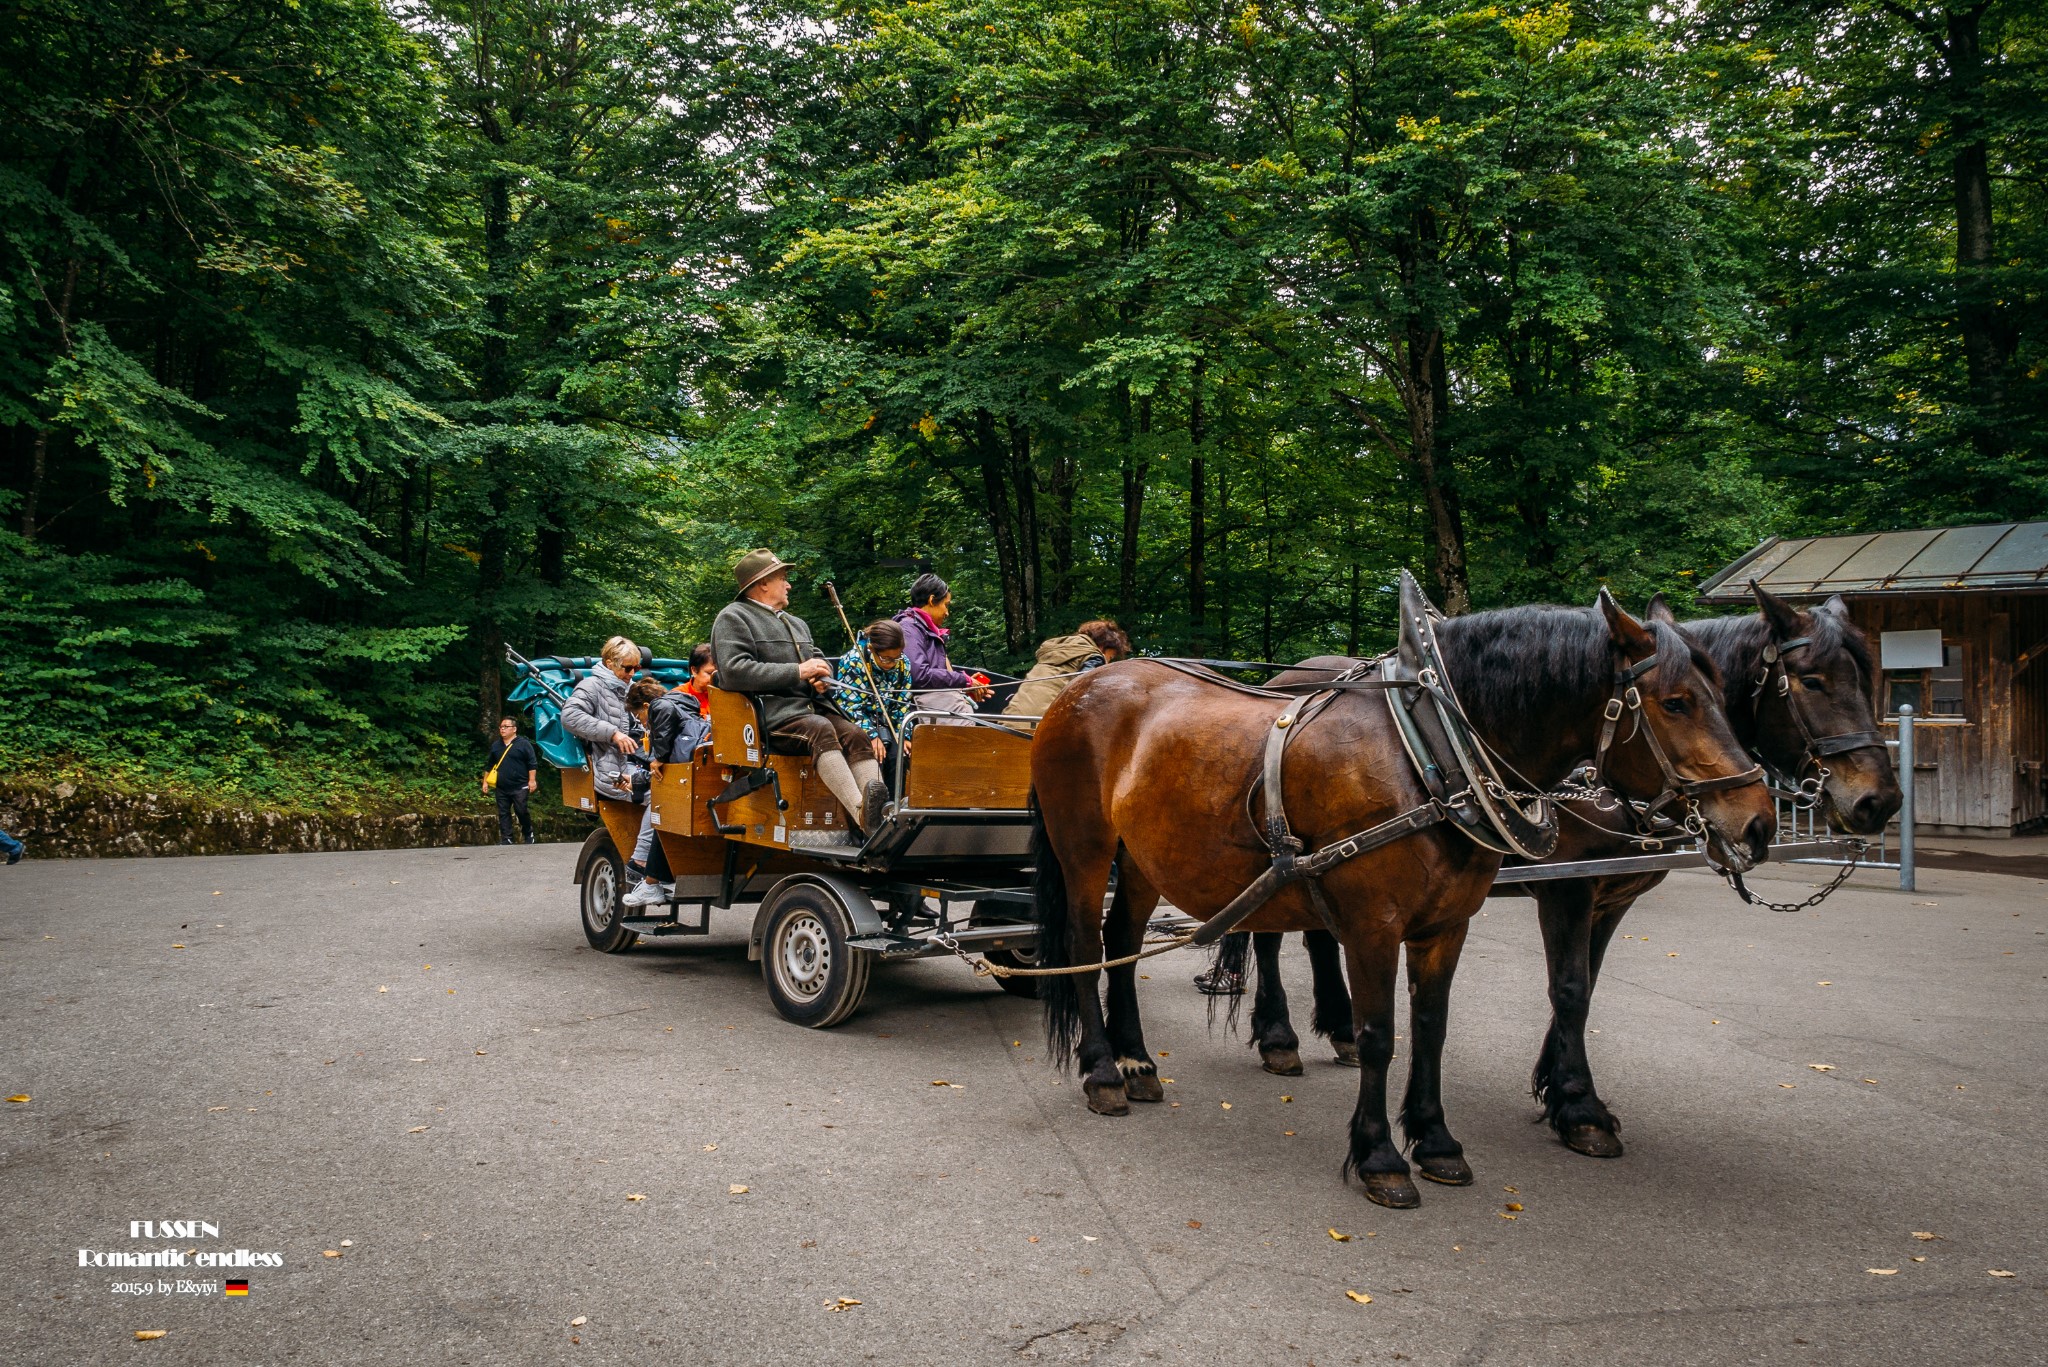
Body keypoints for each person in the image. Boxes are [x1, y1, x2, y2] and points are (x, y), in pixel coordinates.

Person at [711, 549, 889, 836]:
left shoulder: (797, 623)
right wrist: (799, 671)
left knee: (856, 733)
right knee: (819, 728)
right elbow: (733, 672)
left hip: (809, 710)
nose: (789, 584)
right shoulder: (733, 617)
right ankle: (863, 816)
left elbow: (816, 661)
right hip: (768, 717)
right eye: (783, 578)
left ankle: (881, 815)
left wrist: (822, 678)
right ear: (763, 583)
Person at [894, 573, 992, 720]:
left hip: (934, 710)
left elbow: (936, 676)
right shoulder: (909, 628)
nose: (947, 612)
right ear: (932, 600)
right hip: (919, 715)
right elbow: (919, 676)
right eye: (946, 605)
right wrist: (963, 680)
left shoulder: (925, 629)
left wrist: (967, 686)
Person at [560, 636, 642, 800]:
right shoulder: (591, 686)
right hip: (613, 772)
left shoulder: (633, 687)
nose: (632, 673)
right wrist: (613, 733)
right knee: (661, 798)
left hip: (640, 764)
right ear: (609, 663)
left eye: (637, 667)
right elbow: (569, 716)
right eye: (627, 668)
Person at [834, 619, 914, 776]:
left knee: (898, 757)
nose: (892, 664)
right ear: (871, 648)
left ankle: (894, 800)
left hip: (886, 722)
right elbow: (850, 707)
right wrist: (871, 735)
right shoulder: (854, 661)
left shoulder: (903, 663)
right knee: (876, 755)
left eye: (896, 658)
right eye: (886, 658)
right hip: (856, 721)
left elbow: (902, 705)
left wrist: (903, 735)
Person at [1004, 619, 1132, 717]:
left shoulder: (1058, 651)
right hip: (1039, 724)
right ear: (1104, 645)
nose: (1109, 661)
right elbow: (1084, 695)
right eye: (1112, 656)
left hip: (1010, 717)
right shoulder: (1093, 656)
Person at [482, 715, 541, 845]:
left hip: (520, 785)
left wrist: (532, 780)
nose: (502, 729)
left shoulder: (524, 744)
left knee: (521, 810)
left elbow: (532, 764)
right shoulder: (496, 745)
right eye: (501, 727)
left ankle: (528, 832)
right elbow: (489, 765)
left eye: (506, 727)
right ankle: (507, 838)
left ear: (514, 729)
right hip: (501, 786)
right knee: (503, 812)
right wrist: (485, 781)